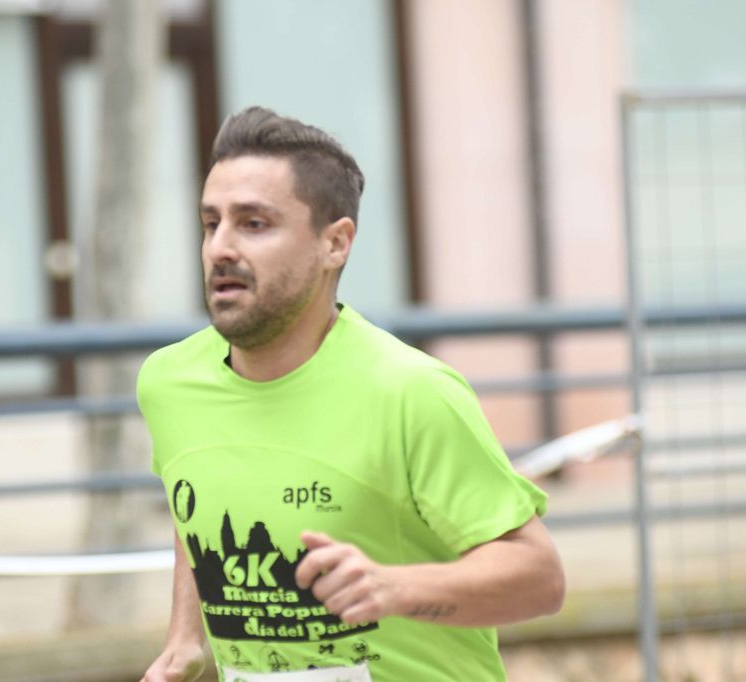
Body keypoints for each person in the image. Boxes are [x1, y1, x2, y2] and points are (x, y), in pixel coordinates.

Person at [136, 106, 564, 682]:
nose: (220, 248)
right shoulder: (168, 383)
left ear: (335, 244)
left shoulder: (411, 392)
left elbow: (539, 577)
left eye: (254, 224)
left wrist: (394, 587)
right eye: (211, 224)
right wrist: (186, 638)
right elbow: (198, 506)